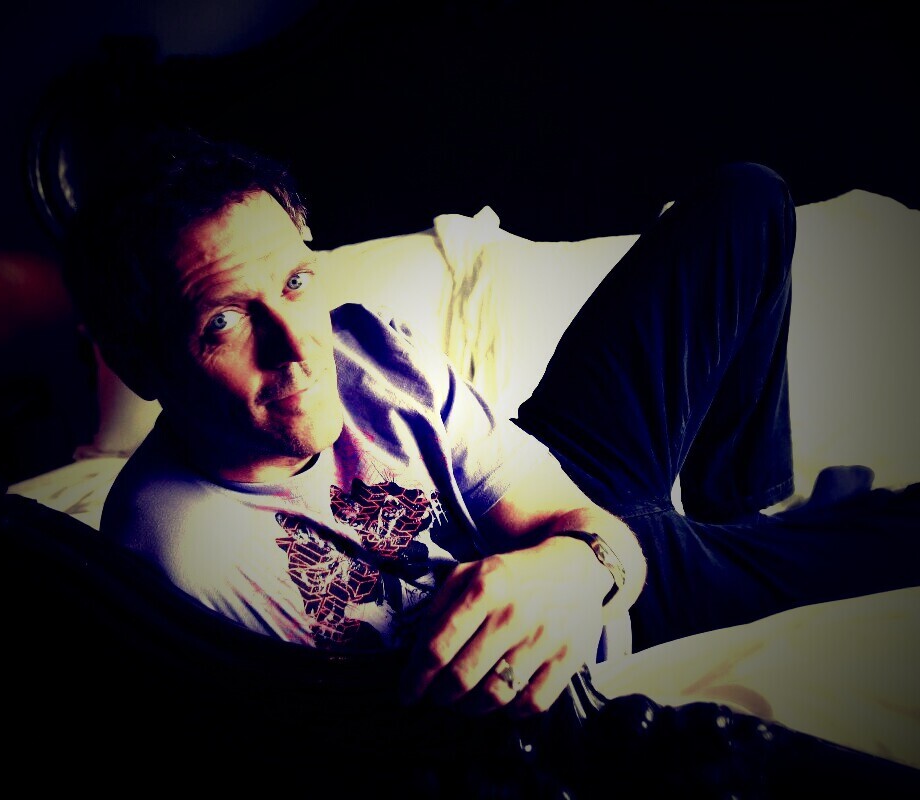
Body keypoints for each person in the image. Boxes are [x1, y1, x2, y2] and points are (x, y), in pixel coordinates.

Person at [62, 127, 920, 731]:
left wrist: (575, 563)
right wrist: (593, 568)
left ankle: (739, 509)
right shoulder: (175, 555)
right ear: (141, 366)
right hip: (623, 615)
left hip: (563, 508)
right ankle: (742, 545)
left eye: (295, 282)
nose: (299, 348)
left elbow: (564, 509)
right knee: (893, 537)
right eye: (222, 322)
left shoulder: (362, 346)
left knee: (746, 198)